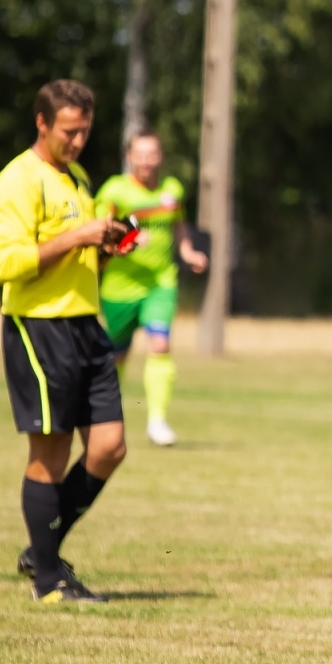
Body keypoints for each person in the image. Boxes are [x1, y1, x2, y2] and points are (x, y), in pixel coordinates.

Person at [0, 80, 127, 602]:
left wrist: (106, 245)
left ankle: (41, 552)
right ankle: (48, 581)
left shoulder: (80, 178)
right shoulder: (17, 182)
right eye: (70, 131)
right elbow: (8, 265)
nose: (78, 140)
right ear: (42, 123)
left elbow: (77, 256)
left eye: (86, 131)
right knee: (50, 451)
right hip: (39, 328)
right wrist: (77, 236)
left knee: (110, 446)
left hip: (86, 325)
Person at [95, 132, 209, 446]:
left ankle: (157, 420)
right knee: (117, 356)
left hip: (160, 282)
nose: (146, 161)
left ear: (161, 157)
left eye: (152, 154)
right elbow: (100, 231)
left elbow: (179, 224)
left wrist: (188, 252)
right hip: (120, 287)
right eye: (139, 154)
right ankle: (109, 416)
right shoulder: (115, 190)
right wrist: (128, 237)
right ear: (129, 156)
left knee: (160, 345)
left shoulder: (171, 191)